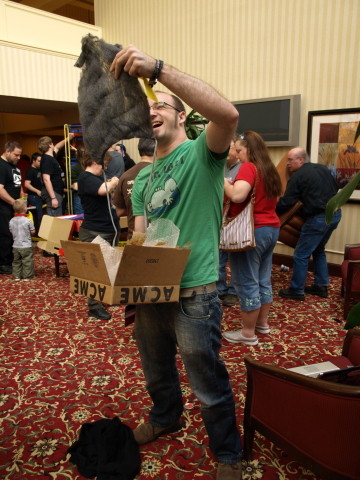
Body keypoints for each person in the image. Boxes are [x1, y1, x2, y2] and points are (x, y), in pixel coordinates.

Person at [110, 45, 242, 479]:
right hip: (151, 292)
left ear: (181, 116)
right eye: (148, 107)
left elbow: (228, 116)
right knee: (156, 372)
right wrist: (118, 275)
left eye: (161, 105)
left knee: (207, 382)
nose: (152, 111)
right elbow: (143, 236)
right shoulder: (144, 174)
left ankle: (227, 453)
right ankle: (166, 416)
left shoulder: (204, 153)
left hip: (195, 294)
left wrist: (159, 72)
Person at [222, 131, 282, 346]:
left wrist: (223, 182)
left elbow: (237, 195)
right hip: (271, 228)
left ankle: (248, 333)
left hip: (250, 231)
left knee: (246, 281)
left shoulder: (249, 167)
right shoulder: (269, 168)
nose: (237, 155)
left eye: (239, 150)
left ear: (250, 149)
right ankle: (261, 324)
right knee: (263, 280)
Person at [276, 147, 341, 301]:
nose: (288, 164)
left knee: (301, 254)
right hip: (336, 214)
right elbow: (336, 187)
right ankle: (321, 286)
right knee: (318, 249)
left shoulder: (298, 177)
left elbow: (287, 202)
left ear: (301, 160)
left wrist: (272, 211)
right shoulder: (322, 169)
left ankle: (296, 290)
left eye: (291, 160)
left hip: (318, 218)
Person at [78, 150, 120, 321]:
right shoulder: (85, 177)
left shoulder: (95, 179)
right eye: (105, 163)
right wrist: (115, 181)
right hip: (94, 231)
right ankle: (94, 307)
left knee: (107, 268)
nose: (106, 167)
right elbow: (104, 190)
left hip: (105, 229)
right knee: (95, 272)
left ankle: (103, 299)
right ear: (96, 161)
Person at [113, 138, 156, 240]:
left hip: (134, 238)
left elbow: (119, 211)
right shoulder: (162, 173)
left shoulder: (126, 176)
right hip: (159, 239)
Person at [217, 133, 242, 307]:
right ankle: (219, 290)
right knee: (218, 258)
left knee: (235, 260)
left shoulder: (244, 169)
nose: (226, 150)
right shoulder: (220, 166)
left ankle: (233, 292)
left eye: (230, 147)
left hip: (235, 220)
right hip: (219, 218)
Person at [0, 141, 22, 275]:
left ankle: (9, 260)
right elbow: (0, 189)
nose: (18, 158)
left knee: (12, 234)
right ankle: (3, 264)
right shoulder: (1, 166)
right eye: (16, 155)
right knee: (5, 234)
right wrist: (14, 202)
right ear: (7, 151)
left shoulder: (12, 166)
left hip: (13, 206)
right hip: (3, 206)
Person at [38, 134, 73, 216]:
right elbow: (46, 179)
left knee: (58, 218)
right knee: (55, 220)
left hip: (56, 192)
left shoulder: (50, 156)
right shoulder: (47, 159)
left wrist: (68, 138)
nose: (53, 144)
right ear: (50, 145)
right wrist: (53, 198)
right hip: (53, 193)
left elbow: (57, 147)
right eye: (52, 143)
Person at [9, 198, 35, 280]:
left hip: (16, 245)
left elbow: (11, 230)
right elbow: (33, 231)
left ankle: (17, 276)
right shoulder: (28, 220)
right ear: (25, 209)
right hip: (26, 245)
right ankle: (27, 276)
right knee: (27, 261)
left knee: (16, 261)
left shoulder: (11, 220)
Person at [24, 152, 44, 230]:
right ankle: (36, 234)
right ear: (33, 161)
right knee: (37, 216)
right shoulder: (30, 170)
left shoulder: (38, 169)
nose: (40, 163)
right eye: (39, 161)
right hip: (34, 197)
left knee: (40, 215)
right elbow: (26, 184)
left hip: (38, 197)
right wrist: (37, 191)